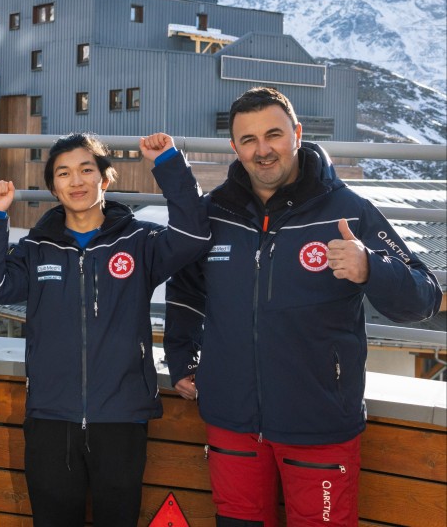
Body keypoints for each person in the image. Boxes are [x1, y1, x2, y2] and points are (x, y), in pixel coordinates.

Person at [164, 87, 440, 527]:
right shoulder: (215, 213)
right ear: (234, 148)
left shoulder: (348, 210)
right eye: (249, 140)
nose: (263, 150)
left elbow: (425, 298)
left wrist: (371, 267)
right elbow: (186, 290)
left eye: (273, 134)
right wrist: (182, 357)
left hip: (320, 422)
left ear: (296, 133)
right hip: (231, 417)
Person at [0, 132, 211, 526]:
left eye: (86, 170)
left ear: (106, 179)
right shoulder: (36, 248)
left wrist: (169, 164)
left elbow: (194, 235)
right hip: (50, 418)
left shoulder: (140, 241)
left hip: (121, 417)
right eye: (63, 173)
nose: (76, 181)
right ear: (53, 187)